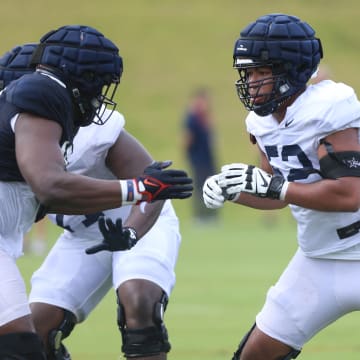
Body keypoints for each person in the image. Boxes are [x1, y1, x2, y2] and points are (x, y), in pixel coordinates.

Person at [0, 26, 192, 359]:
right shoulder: (26, 124)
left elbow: (152, 185)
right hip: (82, 236)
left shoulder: (91, 130)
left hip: (135, 223)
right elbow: (48, 190)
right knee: (37, 333)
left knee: (138, 300)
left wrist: (131, 231)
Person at [202, 13, 360, 360]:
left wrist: (276, 189)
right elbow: (276, 194)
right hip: (317, 259)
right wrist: (235, 191)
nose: (252, 82)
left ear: (292, 71)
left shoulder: (329, 107)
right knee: (254, 355)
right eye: (248, 72)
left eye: (262, 72)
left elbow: (349, 194)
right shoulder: (261, 122)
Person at [183, 87, 217, 222]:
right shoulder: (191, 118)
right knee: (200, 188)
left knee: (213, 186)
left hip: (208, 159)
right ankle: (200, 216)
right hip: (198, 159)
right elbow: (187, 139)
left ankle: (211, 216)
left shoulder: (205, 117)